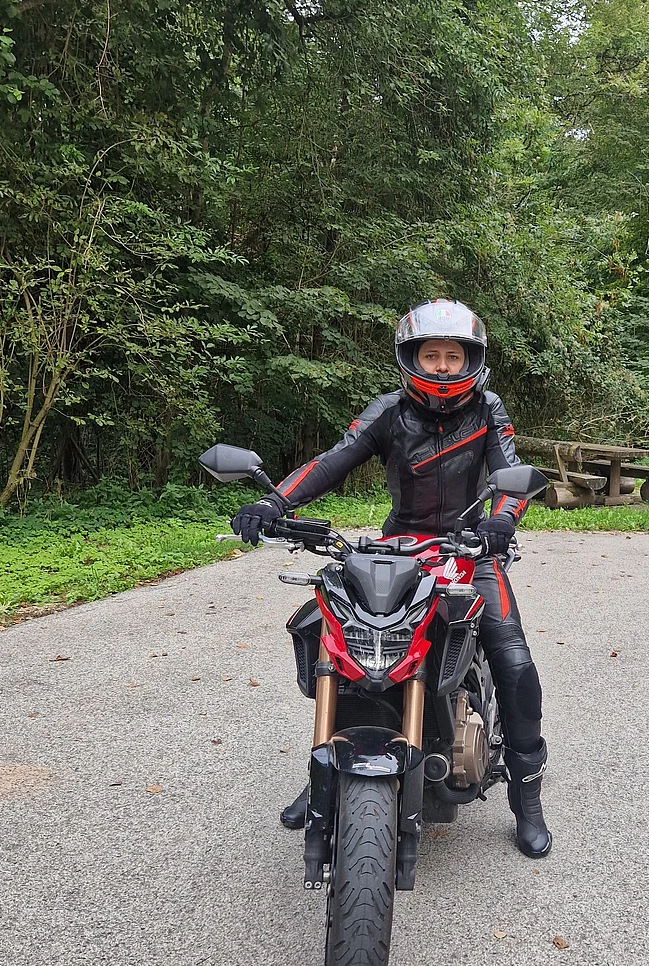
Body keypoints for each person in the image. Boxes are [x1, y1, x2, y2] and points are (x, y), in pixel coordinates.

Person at [230, 298, 552, 859]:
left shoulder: (489, 409)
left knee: (513, 659)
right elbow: (336, 458)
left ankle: (527, 797)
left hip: (470, 547)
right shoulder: (389, 409)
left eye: (455, 356)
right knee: (354, 641)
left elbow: (507, 469)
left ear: (472, 359)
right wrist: (275, 500)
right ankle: (331, 769)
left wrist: (501, 518)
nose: (445, 366)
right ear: (412, 357)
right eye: (433, 354)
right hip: (398, 544)